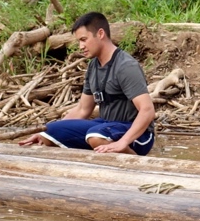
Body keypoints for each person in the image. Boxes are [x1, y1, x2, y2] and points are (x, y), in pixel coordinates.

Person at [22, 12, 156, 155]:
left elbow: (147, 111)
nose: (80, 46)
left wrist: (122, 142)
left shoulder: (126, 66)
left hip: (138, 135)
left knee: (96, 136)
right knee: (51, 131)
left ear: (100, 34)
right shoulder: (93, 66)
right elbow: (82, 110)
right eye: (79, 41)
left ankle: (133, 163)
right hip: (106, 127)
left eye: (84, 39)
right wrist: (45, 133)